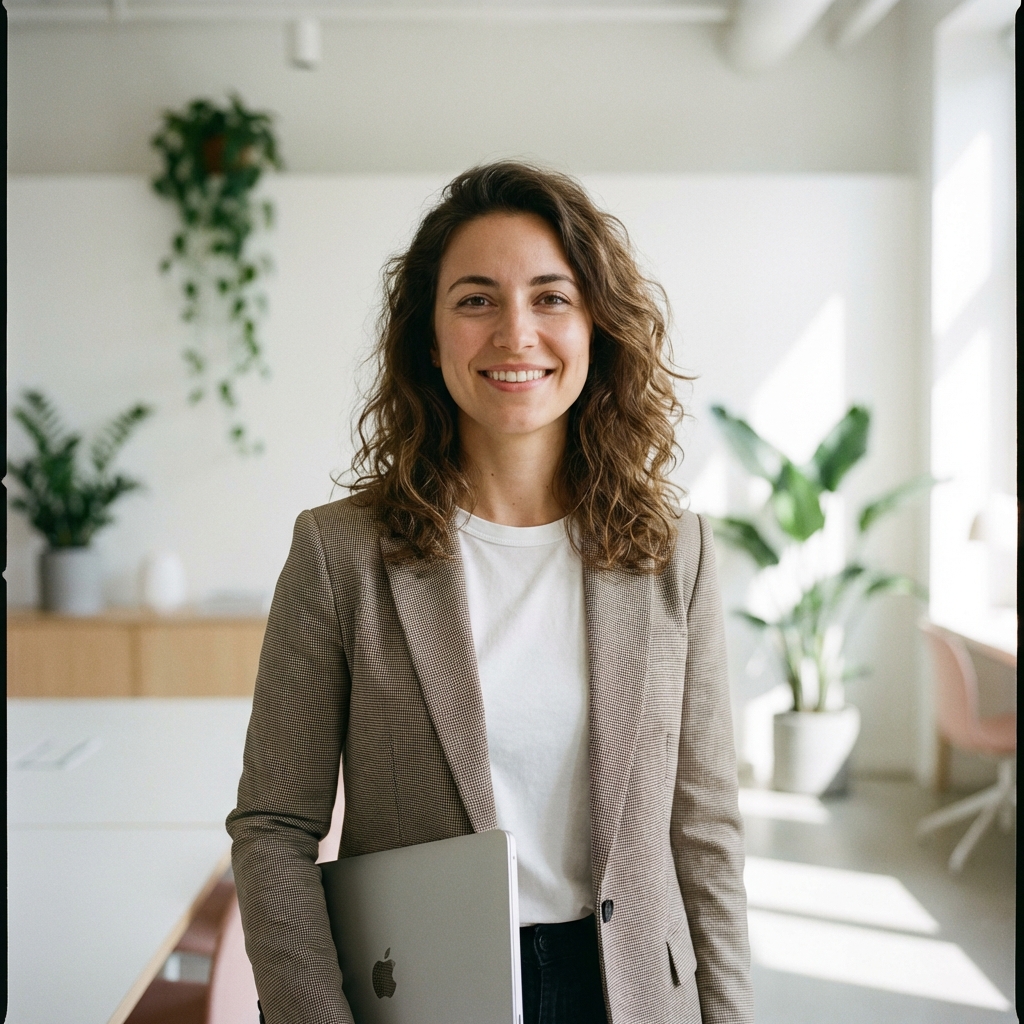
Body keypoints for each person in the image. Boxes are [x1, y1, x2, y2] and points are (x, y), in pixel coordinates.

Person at [227, 162, 752, 1024]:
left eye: (551, 297)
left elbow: (705, 833)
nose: (516, 332)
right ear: (429, 338)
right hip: (417, 993)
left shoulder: (674, 555)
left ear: (597, 327)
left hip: (631, 994)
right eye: (476, 299)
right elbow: (273, 827)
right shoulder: (338, 554)